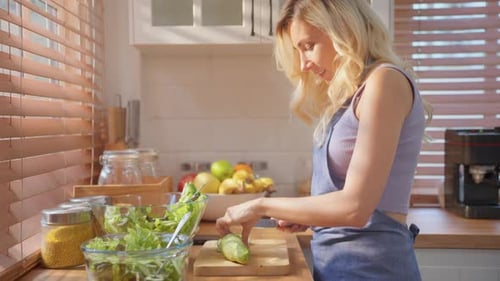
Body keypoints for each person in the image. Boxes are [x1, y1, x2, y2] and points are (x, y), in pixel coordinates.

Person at [216, 1, 432, 280]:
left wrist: (261, 205)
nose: (304, 63)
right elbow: (344, 198)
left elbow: (355, 208)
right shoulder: (355, 92)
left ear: (345, 31)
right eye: (298, 50)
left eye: (308, 45)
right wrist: (307, 214)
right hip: (340, 268)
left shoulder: (385, 82)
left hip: (373, 270)